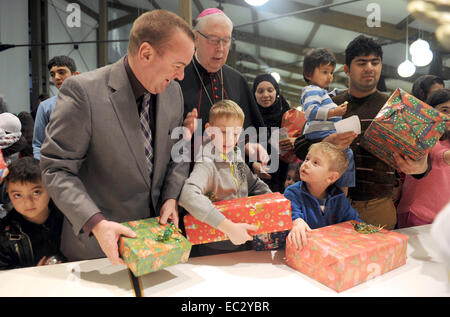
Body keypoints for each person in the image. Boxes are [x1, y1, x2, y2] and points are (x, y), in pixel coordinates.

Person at [39, 10, 195, 264]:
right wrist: (97, 223)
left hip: (155, 246)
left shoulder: (173, 93)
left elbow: (177, 152)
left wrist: (170, 197)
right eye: (178, 65)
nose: (181, 75)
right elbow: (56, 168)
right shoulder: (84, 92)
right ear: (146, 53)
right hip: (97, 251)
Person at [294, 35, 430, 230]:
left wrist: (420, 167)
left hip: (377, 206)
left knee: (380, 258)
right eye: (362, 63)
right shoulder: (331, 103)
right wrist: (327, 142)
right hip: (328, 204)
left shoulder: (395, 107)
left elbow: (420, 160)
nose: (369, 68)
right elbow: (300, 146)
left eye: (375, 62)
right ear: (347, 69)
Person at [179, 100, 271, 254]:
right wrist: (229, 227)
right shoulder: (207, 163)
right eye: (222, 132)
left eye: (234, 133)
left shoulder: (236, 157)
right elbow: (187, 195)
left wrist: (274, 201)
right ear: (209, 130)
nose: (229, 139)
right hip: (214, 246)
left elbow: (252, 184)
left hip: (242, 239)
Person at [179, 8, 267, 166]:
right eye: (213, 40)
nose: (220, 48)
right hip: (189, 173)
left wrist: (248, 147)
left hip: (229, 174)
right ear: (196, 38)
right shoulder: (177, 76)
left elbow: (247, 129)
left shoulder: (237, 80)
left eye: (226, 41)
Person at [284, 142, 361, 250]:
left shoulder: (338, 197)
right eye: (307, 159)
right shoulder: (292, 192)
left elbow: (354, 222)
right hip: (300, 251)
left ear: (331, 177)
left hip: (330, 251)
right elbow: (290, 213)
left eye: (315, 162)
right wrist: (297, 221)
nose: (306, 164)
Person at [301, 48, 355, 195]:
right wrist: (333, 112)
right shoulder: (312, 90)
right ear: (308, 74)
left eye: (331, 72)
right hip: (321, 132)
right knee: (346, 154)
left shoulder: (319, 91)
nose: (329, 76)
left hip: (323, 131)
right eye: (324, 72)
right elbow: (310, 111)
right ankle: (343, 190)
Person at [396, 89, 450, 228]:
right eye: (445, 110)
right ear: (429, 111)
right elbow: (439, 157)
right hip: (417, 216)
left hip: (442, 220)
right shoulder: (423, 138)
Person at [0, 157, 65, 269]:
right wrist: (33, 274)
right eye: (18, 195)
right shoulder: (4, 233)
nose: (28, 203)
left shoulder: (67, 218)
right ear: (8, 192)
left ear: (49, 187)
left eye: (36, 192)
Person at [32, 56, 79, 160]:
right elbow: (38, 144)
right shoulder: (45, 107)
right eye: (52, 74)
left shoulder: (88, 102)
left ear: (75, 75)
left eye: (61, 72)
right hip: (56, 166)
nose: (56, 77)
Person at [252, 73, 291, 192]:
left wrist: (293, 142)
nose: (265, 95)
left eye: (270, 90)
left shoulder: (287, 116)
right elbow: (239, 148)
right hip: (254, 179)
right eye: (260, 91)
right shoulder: (248, 117)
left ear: (277, 92)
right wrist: (252, 165)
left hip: (281, 178)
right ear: (254, 94)